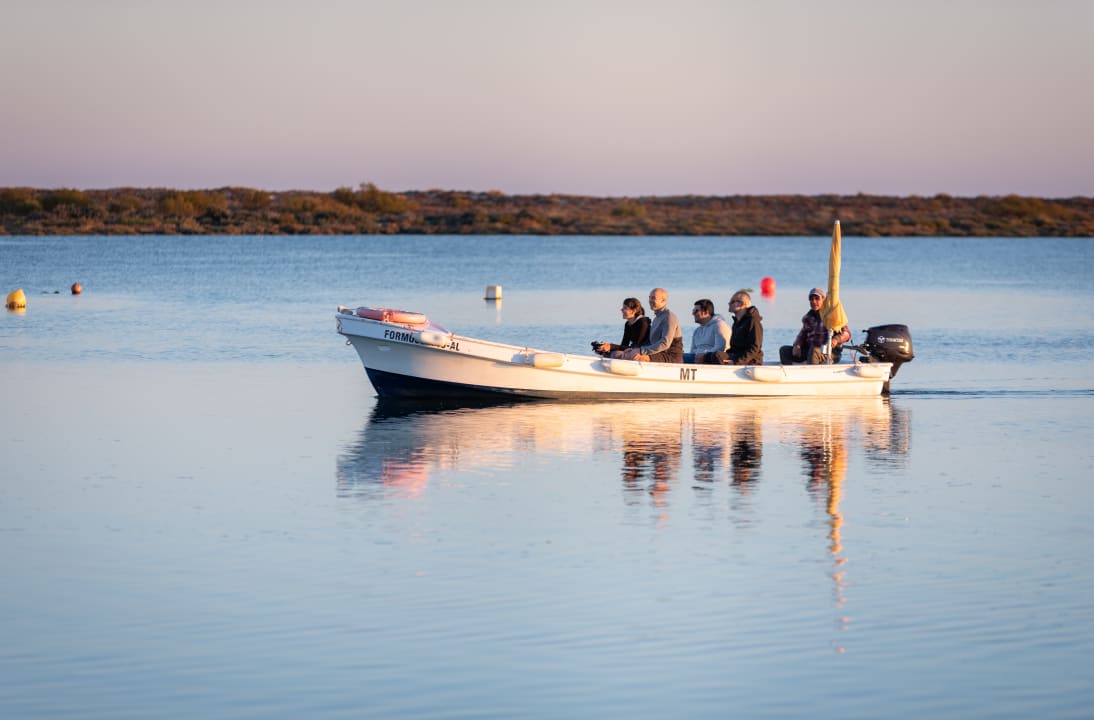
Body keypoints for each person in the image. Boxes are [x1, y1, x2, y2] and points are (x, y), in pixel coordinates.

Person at [779, 287, 851, 364]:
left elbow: (847, 334)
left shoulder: (832, 315)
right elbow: (802, 335)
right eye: (811, 299)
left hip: (830, 353)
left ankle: (812, 374)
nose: (814, 301)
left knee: (814, 351)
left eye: (817, 298)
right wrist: (797, 345)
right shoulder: (808, 317)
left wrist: (836, 339)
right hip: (810, 351)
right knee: (784, 351)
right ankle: (789, 373)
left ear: (823, 299)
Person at [634, 287, 684, 363]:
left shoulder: (669, 317)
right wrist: (635, 348)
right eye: (649, 298)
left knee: (636, 357)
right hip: (659, 354)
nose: (650, 300)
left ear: (663, 300)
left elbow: (665, 343)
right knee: (625, 353)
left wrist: (642, 351)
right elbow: (651, 343)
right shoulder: (657, 318)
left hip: (671, 356)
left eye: (653, 298)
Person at [685, 298, 731, 363]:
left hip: (711, 359)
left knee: (681, 358)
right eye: (693, 311)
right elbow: (692, 350)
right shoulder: (697, 330)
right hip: (696, 358)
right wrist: (698, 355)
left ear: (706, 312)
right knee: (678, 357)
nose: (693, 313)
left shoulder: (720, 325)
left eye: (696, 311)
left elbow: (720, 348)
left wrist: (704, 355)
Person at [725, 289, 764, 365]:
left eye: (732, 302)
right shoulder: (737, 323)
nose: (729, 304)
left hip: (751, 361)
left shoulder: (753, 321)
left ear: (742, 304)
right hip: (737, 357)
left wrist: (737, 362)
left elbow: (754, 348)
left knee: (717, 356)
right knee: (713, 356)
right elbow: (734, 348)